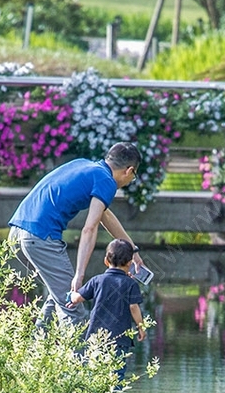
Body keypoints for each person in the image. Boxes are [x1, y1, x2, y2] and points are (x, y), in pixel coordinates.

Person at [9, 141, 145, 332]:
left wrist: (134, 251)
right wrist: (79, 275)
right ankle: (84, 362)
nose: (131, 179)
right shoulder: (106, 181)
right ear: (128, 170)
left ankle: (32, 353)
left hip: (18, 232)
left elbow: (104, 216)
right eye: (134, 175)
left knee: (59, 296)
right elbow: (89, 229)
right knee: (73, 307)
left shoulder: (86, 165)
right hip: (40, 236)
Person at [72, 238, 148, 353]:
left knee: (95, 369)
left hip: (96, 338)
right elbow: (133, 307)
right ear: (129, 263)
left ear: (106, 261)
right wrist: (140, 327)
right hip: (119, 340)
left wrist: (71, 295)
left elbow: (77, 298)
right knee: (117, 370)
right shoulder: (131, 284)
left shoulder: (97, 280)